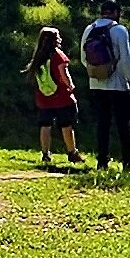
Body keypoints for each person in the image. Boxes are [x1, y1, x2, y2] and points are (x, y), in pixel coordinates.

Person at [80, 0, 130, 174]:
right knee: (123, 124)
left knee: (103, 123)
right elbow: (125, 59)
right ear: (116, 13)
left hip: (96, 84)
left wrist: (98, 72)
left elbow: (83, 58)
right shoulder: (119, 30)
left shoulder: (89, 29)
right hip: (117, 85)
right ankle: (128, 160)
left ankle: (102, 161)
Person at [27, 26, 85, 168]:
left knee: (45, 125)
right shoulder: (58, 56)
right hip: (62, 97)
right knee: (66, 125)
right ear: (55, 40)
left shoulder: (39, 56)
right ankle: (72, 153)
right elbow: (64, 74)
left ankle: (45, 154)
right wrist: (71, 86)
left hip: (43, 97)